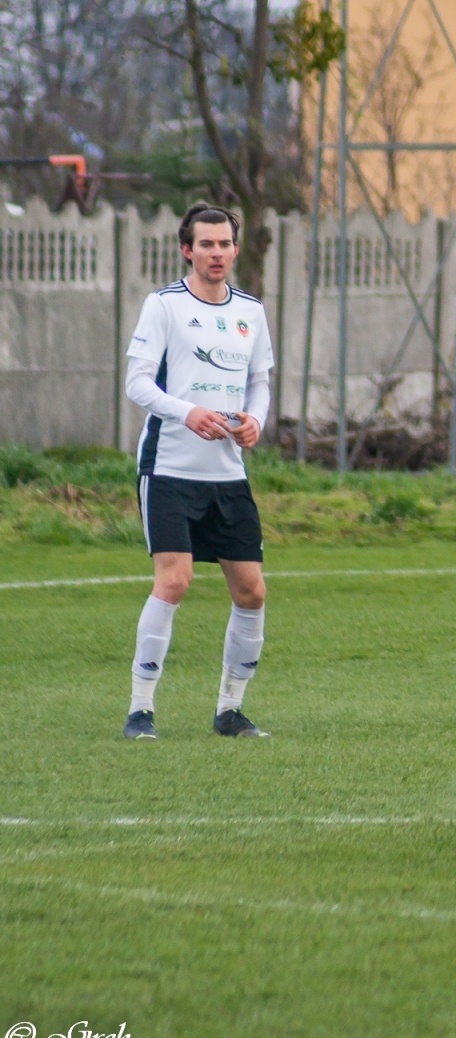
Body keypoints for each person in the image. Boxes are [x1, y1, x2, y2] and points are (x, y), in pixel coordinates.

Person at [121, 203, 275, 741]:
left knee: (252, 592)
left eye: (224, 244)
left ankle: (230, 711)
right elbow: (137, 383)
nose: (216, 253)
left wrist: (255, 420)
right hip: (168, 469)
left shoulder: (251, 311)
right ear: (187, 250)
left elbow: (260, 381)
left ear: (237, 249)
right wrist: (187, 411)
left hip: (227, 476)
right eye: (205, 244)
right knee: (175, 579)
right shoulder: (163, 306)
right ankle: (141, 711)